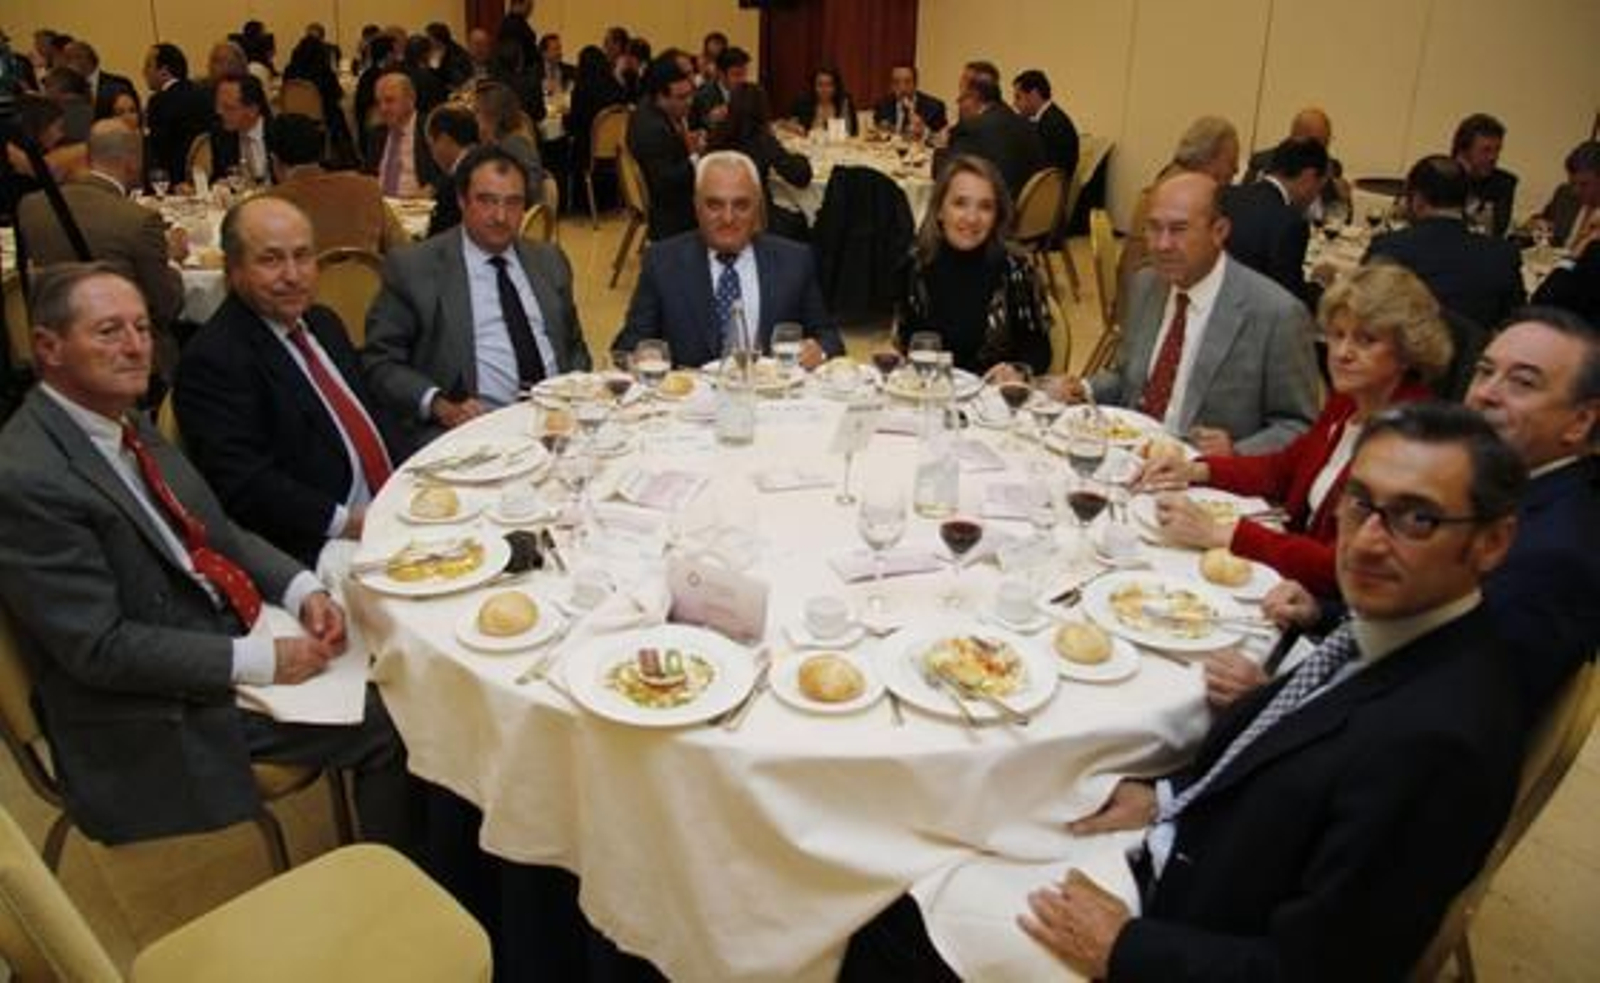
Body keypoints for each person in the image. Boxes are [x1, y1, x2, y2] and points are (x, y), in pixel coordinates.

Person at [845, 403, 1529, 982]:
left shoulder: (1443, 737)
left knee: (885, 915)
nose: (1369, 541)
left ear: (1494, 542)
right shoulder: (1391, 626)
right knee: (941, 825)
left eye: (1417, 519)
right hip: (1177, 837)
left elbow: (1328, 968)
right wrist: (1163, 795)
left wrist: (1123, 945)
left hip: (1177, 924)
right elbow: (1283, 755)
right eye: (1361, 503)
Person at [0, 263, 414, 851]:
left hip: (218, 619)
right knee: (393, 721)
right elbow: (99, 650)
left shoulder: (122, 421)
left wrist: (302, 590)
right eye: (109, 331)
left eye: (142, 328)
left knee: (403, 653)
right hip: (150, 703)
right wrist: (258, 659)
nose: (135, 346)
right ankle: (402, 876)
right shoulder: (27, 477)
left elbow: (217, 531)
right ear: (49, 347)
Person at [1145, 263, 1448, 595]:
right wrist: (1195, 469)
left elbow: (1342, 565)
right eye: (1337, 335)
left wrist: (1224, 533)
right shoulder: (1349, 401)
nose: (1343, 353)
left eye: (1366, 340)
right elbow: (1283, 469)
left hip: (1321, 604)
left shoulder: (1410, 442)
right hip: (1285, 576)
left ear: (1407, 352)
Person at [176, 197, 395, 568]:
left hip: (390, 506)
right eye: (271, 259)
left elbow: (372, 414)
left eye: (303, 256)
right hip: (321, 543)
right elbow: (247, 486)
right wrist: (352, 523)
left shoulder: (323, 322)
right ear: (233, 270)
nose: (293, 275)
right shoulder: (215, 360)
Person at [1069, 171, 1319, 454]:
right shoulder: (1147, 284)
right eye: (1153, 228)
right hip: (1126, 454)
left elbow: (1300, 426)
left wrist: (1236, 452)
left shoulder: (1276, 314)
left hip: (1204, 478)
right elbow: (1127, 378)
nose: (1162, 245)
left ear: (1219, 231)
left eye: (1178, 229)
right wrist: (1084, 389)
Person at [363, 145, 591, 452]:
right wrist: (440, 405)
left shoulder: (548, 260)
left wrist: (575, 392)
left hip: (559, 426)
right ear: (461, 200)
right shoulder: (415, 269)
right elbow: (380, 362)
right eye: (487, 201)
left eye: (513, 203)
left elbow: (574, 345)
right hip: (474, 435)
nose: (500, 216)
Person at [612, 151, 843, 369]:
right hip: (690, 406)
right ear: (696, 206)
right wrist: (638, 357)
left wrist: (819, 350)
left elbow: (830, 339)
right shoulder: (662, 262)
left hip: (770, 402)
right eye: (714, 205)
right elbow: (627, 346)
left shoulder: (794, 260)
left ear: (758, 207)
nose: (728, 218)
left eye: (741, 205)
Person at [16, 120, 187, 378]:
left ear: (88, 156)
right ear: (132, 162)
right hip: (128, 358)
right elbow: (167, 305)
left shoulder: (31, 207)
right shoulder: (138, 221)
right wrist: (171, 260)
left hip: (58, 352)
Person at [892, 154, 1052, 374]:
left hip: (992, 400)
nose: (972, 218)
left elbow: (1039, 349)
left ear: (996, 216)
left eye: (985, 207)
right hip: (929, 395)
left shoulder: (1016, 269)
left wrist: (1017, 371)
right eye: (960, 203)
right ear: (939, 210)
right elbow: (905, 340)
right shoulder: (916, 264)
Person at [1366, 154, 1525, 334]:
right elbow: (1517, 325)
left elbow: (1364, 313)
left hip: (1403, 357)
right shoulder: (1503, 255)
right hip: (1470, 358)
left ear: (1417, 199)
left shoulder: (1388, 247)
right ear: (1466, 202)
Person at [266, 114, 408, 254]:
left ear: (275, 161)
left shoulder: (267, 207)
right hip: (366, 276)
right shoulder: (366, 189)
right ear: (322, 151)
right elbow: (402, 249)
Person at [1221, 137, 1329, 305]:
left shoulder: (1226, 195)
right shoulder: (1290, 223)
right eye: (1318, 188)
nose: (1314, 198)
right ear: (1308, 177)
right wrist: (1319, 284)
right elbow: (1291, 302)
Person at [705, 83, 811, 241]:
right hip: (756, 217)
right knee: (803, 220)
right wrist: (801, 158)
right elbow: (800, 177)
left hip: (716, 215)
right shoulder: (762, 140)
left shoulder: (716, 136)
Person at [627, 56, 699, 242]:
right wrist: (695, 156)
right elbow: (666, 184)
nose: (690, 102)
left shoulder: (652, 108)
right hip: (670, 213)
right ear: (661, 96)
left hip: (668, 198)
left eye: (690, 94)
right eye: (682, 97)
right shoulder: (652, 128)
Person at [941, 75, 1044, 201]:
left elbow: (947, 172)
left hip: (997, 210)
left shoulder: (974, 128)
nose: (958, 103)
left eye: (962, 98)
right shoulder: (1027, 125)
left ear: (974, 97)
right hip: (1027, 210)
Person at [1242, 107, 1352, 218]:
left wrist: (1344, 200)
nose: (1323, 151)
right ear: (1296, 137)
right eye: (1317, 144)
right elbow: (1246, 204)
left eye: (1326, 142)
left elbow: (1342, 220)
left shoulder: (1331, 168)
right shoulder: (1263, 162)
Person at [143, 43, 214, 184]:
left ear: (164, 70)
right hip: (209, 174)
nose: (144, 72)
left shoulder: (159, 101)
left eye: (148, 66)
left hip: (175, 180)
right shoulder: (205, 93)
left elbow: (158, 150)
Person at [283, 34, 356, 165]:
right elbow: (337, 95)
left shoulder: (290, 71)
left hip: (293, 118)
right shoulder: (324, 71)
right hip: (320, 118)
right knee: (338, 111)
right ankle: (345, 154)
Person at [369, 71, 441, 199]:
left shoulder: (430, 128)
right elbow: (369, 174)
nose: (383, 108)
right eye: (379, 102)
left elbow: (451, 170)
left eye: (389, 101)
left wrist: (432, 188)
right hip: (380, 206)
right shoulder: (378, 134)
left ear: (411, 100)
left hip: (415, 208)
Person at [473, 79, 546, 193]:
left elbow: (532, 188)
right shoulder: (495, 142)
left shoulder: (515, 144)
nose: (474, 118)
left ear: (493, 114)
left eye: (477, 111)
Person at [1453, 112, 1517, 237]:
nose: (1493, 157)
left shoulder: (1503, 184)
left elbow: (1496, 231)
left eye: (1497, 150)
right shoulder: (1439, 177)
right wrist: (1461, 175)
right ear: (1463, 151)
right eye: (1485, 150)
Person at [568, 44, 626, 177]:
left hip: (590, 152)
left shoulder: (582, 89)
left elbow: (575, 124)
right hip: (617, 154)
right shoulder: (616, 87)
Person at [1011, 69, 1079, 181]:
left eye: (1018, 97)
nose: (1014, 104)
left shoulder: (1055, 124)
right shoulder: (1046, 118)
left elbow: (1045, 170)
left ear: (1033, 94)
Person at [424, 104, 480, 238]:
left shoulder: (452, 188)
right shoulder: (496, 163)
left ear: (444, 140)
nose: (433, 155)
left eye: (431, 146)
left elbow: (437, 242)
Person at [1533, 140, 1600, 250]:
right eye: (1572, 183)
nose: (1576, 190)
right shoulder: (1564, 194)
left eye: (1584, 184)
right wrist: (1534, 225)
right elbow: (1543, 221)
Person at [209, 73, 273, 186]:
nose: (219, 112)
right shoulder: (221, 135)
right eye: (218, 105)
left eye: (228, 107)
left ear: (253, 109)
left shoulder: (279, 133)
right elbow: (218, 177)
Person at [60, 40, 138, 122]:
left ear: (81, 58)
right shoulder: (68, 89)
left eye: (67, 59)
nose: (64, 65)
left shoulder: (119, 84)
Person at [872, 63, 948, 139]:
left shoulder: (934, 107)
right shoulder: (882, 105)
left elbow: (942, 140)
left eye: (907, 82)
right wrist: (882, 130)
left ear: (915, 83)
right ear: (891, 85)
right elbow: (878, 134)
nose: (902, 88)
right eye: (896, 83)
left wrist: (924, 131)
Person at [690, 46, 750, 132]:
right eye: (737, 75)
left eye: (745, 74)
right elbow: (695, 128)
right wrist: (710, 119)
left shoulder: (750, 93)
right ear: (721, 74)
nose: (742, 80)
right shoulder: (703, 95)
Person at [788, 66, 858, 137]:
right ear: (813, 86)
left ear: (836, 86)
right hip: (808, 145)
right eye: (820, 85)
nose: (824, 89)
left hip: (838, 146)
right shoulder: (803, 101)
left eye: (829, 85)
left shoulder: (844, 101)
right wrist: (794, 127)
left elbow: (852, 131)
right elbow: (784, 122)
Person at [425, 22, 474, 91]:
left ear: (437, 39)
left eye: (429, 37)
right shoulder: (429, 51)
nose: (427, 40)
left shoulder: (456, 53)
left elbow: (458, 78)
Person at [496, 0, 540, 76]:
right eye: (528, 7)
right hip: (519, 71)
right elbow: (515, 50)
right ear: (518, 4)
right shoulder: (512, 24)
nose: (530, 10)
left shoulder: (517, 21)